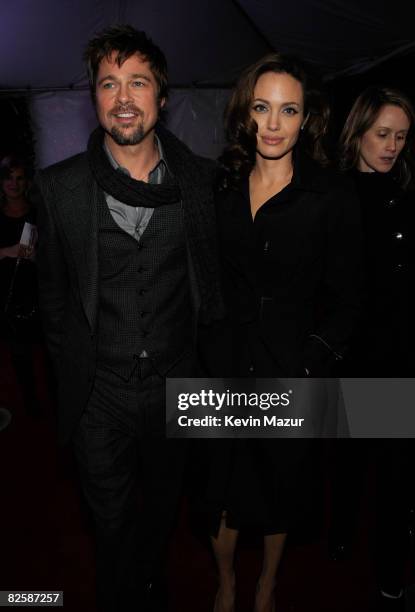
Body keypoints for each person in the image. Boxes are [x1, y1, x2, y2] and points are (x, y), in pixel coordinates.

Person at [35, 24, 223, 612]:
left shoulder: (201, 182)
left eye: (137, 82)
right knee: (110, 520)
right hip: (101, 394)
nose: (122, 97)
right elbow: (54, 302)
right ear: (94, 98)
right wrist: (83, 375)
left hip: (177, 383)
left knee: (162, 509)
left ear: (161, 98)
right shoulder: (58, 187)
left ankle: (148, 580)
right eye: (108, 83)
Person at [201, 53, 362, 612]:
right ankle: (226, 583)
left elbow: (349, 299)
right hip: (223, 366)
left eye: (287, 110)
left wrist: (310, 362)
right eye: (262, 108)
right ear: (246, 114)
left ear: (306, 119)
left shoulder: (332, 197)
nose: (273, 124)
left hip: (289, 365)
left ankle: (267, 583)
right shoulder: (219, 187)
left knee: (279, 487)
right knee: (219, 490)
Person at [330, 86, 415, 612]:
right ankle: (340, 532)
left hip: (401, 357)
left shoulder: (407, 192)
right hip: (355, 356)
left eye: (401, 137)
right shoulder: (335, 196)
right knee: (353, 458)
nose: (391, 146)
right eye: (382, 134)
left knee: (397, 473)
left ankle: (389, 574)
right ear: (357, 130)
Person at [0, 155, 41, 417]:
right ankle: (33, 408)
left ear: (26, 182)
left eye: (19, 178)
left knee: (47, 354)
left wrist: (39, 256)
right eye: (8, 178)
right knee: (20, 357)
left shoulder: (37, 212)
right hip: (6, 294)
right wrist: (9, 250)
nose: (13, 184)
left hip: (37, 292)